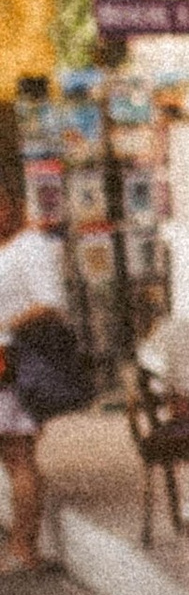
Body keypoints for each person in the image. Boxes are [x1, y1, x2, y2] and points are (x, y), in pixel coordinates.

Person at [0, 166, 71, 574]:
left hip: (13, 362)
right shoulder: (9, 248)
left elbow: (51, 303)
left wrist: (6, 325)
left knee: (18, 455)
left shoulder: (31, 246)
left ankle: (24, 546)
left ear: (13, 205)